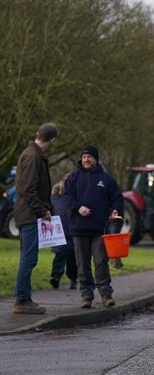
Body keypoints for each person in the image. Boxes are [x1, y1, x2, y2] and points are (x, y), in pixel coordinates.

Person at [64, 145, 123, 309]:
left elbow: (117, 198)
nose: (86, 160)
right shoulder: (73, 178)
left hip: (99, 229)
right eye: (84, 157)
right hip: (78, 229)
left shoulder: (106, 179)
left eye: (89, 157)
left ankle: (106, 295)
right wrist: (78, 208)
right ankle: (86, 296)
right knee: (82, 265)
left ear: (96, 159)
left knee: (101, 262)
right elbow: (66, 198)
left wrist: (115, 210)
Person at [12, 122, 58, 315]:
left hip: (25, 213)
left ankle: (25, 298)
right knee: (29, 258)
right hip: (30, 215)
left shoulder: (29, 153)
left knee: (27, 257)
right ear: (52, 140)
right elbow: (29, 190)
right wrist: (42, 211)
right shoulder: (33, 157)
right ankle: (22, 300)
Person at [50, 175, 78, 290]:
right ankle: (56, 277)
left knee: (72, 259)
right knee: (59, 256)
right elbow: (49, 211)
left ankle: (73, 279)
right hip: (58, 232)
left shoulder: (75, 198)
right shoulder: (54, 198)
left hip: (72, 232)